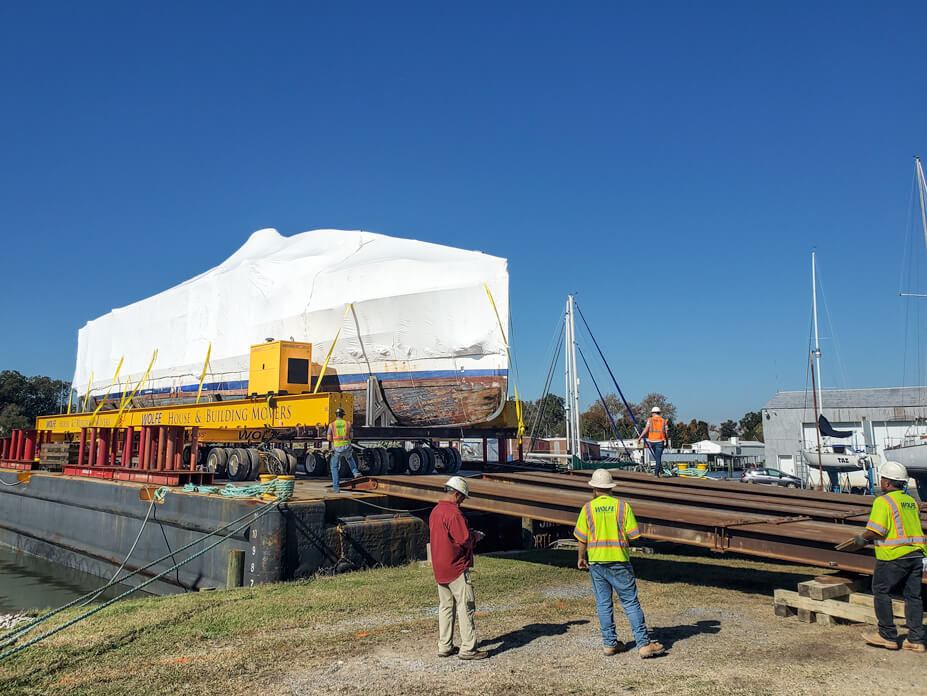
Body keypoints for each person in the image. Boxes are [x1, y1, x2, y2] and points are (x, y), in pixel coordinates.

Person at [574, 468, 665, 658]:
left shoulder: (587, 509)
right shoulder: (623, 507)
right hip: (619, 562)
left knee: (604, 604)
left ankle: (609, 644)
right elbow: (633, 535)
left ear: (594, 488)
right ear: (610, 487)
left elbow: (582, 539)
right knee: (630, 602)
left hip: (597, 562)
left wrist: (581, 558)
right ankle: (643, 644)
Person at [836, 461, 925, 652]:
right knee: (913, 596)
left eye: (883, 478)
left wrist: (861, 539)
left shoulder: (883, 502)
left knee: (881, 591)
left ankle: (887, 636)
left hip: (893, 555)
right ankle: (915, 640)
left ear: (886, 483)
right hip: (916, 555)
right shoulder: (911, 502)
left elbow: (877, 530)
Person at [428, 475, 488, 660]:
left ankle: (444, 646)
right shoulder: (453, 513)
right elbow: (463, 539)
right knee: (465, 606)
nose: (462, 501)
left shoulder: (436, 511)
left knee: (446, 606)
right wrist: (475, 537)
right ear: (456, 493)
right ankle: (468, 648)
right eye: (462, 497)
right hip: (456, 566)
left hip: (440, 567)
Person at [327, 407, 359, 492]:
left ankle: (336, 488)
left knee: (334, 467)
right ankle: (356, 473)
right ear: (343, 415)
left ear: (336, 415)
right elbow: (351, 437)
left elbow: (329, 438)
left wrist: (335, 440)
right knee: (349, 459)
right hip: (347, 447)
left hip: (337, 449)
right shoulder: (348, 424)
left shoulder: (332, 425)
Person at [638, 406, 667, 477]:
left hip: (652, 441)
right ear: (659, 413)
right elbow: (666, 433)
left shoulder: (650, 420)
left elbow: (646, 429)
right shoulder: (663, 421)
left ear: (653, 413)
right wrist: (667, 441)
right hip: (660, 440)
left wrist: (640, 437)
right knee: (658, 457)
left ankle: (659, 472)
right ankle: (658, 473)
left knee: (657, 457)